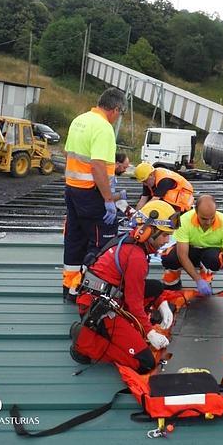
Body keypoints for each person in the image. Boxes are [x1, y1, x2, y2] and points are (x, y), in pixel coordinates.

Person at [69, 200, 179, 374]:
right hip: (101, 311)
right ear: (150, 231)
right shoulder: (136, 257)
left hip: (106, 297)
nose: (167, 240)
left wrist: (162, 302)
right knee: (144, 363)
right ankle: (84, 343)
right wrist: (150, 333)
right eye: (165, 235)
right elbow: (134, 302)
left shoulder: (130, 242)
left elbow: (135, 288)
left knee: (156, 287)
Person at [63, 88, 127, 301]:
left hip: (72, 189)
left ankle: (70, 286)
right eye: (120, 113)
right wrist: (109, 199)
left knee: (75, 238)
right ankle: (89, 289)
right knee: (102, 241)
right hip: (91, 193)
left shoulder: (79, 120)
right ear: (115, 109)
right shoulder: (103, 128)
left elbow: (70, 154)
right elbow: (98, 166)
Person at [161, 194, 223, 303]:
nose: (208, 222)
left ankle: (206, 281)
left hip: (210, 253)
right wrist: (198, 280)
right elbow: (182, 255)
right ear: (196, 211)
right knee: (169, 258)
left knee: (213, 259)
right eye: (204, 218)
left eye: (212, 218)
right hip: (190, 250)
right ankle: (172, 286)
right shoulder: (184, 221)